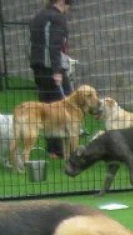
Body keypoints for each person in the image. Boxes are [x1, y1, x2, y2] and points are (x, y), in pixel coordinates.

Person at [28, 0, 73, 158]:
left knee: (47, 108)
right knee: (67, 106)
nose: (68, 9)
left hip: (38, 67)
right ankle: (66, 150)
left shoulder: (38, 16)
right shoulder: (57, 18)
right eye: (69, 5)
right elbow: (54, 44)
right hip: (51, 68)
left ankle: (53, 151)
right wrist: (57, 70)